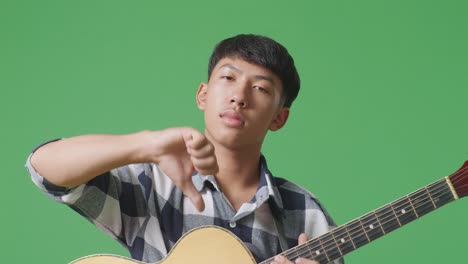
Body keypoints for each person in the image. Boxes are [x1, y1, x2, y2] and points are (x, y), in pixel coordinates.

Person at [25, 34, 344, 264]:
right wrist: (145, 144)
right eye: (229, 77)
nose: (239, 96)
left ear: (279, 117)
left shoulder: (305, 213)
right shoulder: (156, 182)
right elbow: (45, 169)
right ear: (203, 95)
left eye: (260, 88)